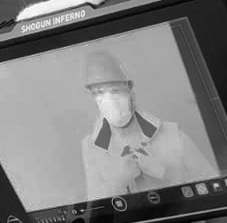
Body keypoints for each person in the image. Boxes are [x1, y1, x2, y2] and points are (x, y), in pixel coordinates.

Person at [80, 49, 217, 199]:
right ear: (93, 97)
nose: (109, 100)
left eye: (114, 90)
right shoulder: (91, 148)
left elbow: (214, 186)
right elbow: (96, 213)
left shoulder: (172, 134)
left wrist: (165, 174)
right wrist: (116, 185)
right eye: (99, 92)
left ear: (130, 90)